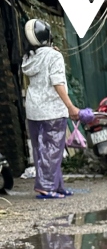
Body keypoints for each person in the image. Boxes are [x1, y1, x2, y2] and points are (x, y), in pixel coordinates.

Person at [21, 19, 80, 200]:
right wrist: (70, 106)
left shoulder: (28, 58)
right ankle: (45, 187)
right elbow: (57, 83)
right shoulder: (54, 56)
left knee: (42, 150)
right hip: (52, 110)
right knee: (53, 150)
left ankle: (57, 185)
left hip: (34, 110)